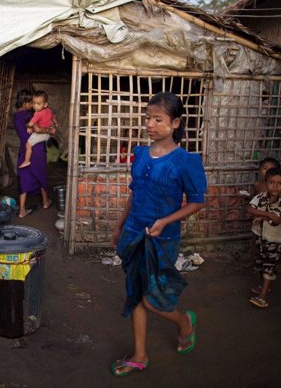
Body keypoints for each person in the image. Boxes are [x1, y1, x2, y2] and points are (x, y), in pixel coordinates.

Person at [110, 92, 207, 376]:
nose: (150, 124)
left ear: (175, 123)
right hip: (133, 233)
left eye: (158, 119)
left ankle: (184, 323)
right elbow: (135, 192)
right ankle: (140, 355)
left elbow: (197, 201)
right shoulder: (140, 154)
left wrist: (165, 221)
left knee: (152, 300)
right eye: (148, 118)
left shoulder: (185, 162)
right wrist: (119, 224)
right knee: (135, 295)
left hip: (162, 240)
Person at [246, 167, 281, 309]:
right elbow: (249, 209)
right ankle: (266, 287)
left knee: (268, 267)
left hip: (274, 240)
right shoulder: (260, 197)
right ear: (266, 183)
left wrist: (264, 217)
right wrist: (268, 215)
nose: (275, 186)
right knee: (260, 264)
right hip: (260, 238)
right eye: (272, 182)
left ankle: (262, 298)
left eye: (279, 183)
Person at [13, 89, 53, 218]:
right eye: (31, 102)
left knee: (23, 178)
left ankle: (22, 210)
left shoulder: (16, 116)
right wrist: (49, 130)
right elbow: (37, 129)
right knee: (40, 175)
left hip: (24, 150)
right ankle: (46, 201)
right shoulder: (30, 115)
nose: (34, 105)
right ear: (25, 102)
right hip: (37, 149)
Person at [19, 90, 57, 169]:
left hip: (41, 135)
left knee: (28, 145)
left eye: (38, 104)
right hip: (47, 134)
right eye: (33, 103)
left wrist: (28, 126)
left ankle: (26, 161)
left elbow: (33, 125)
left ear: (45, 104)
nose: (35, 106)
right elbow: (53, 117)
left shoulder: (37, 114)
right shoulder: (48, 110)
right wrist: (55, 124)